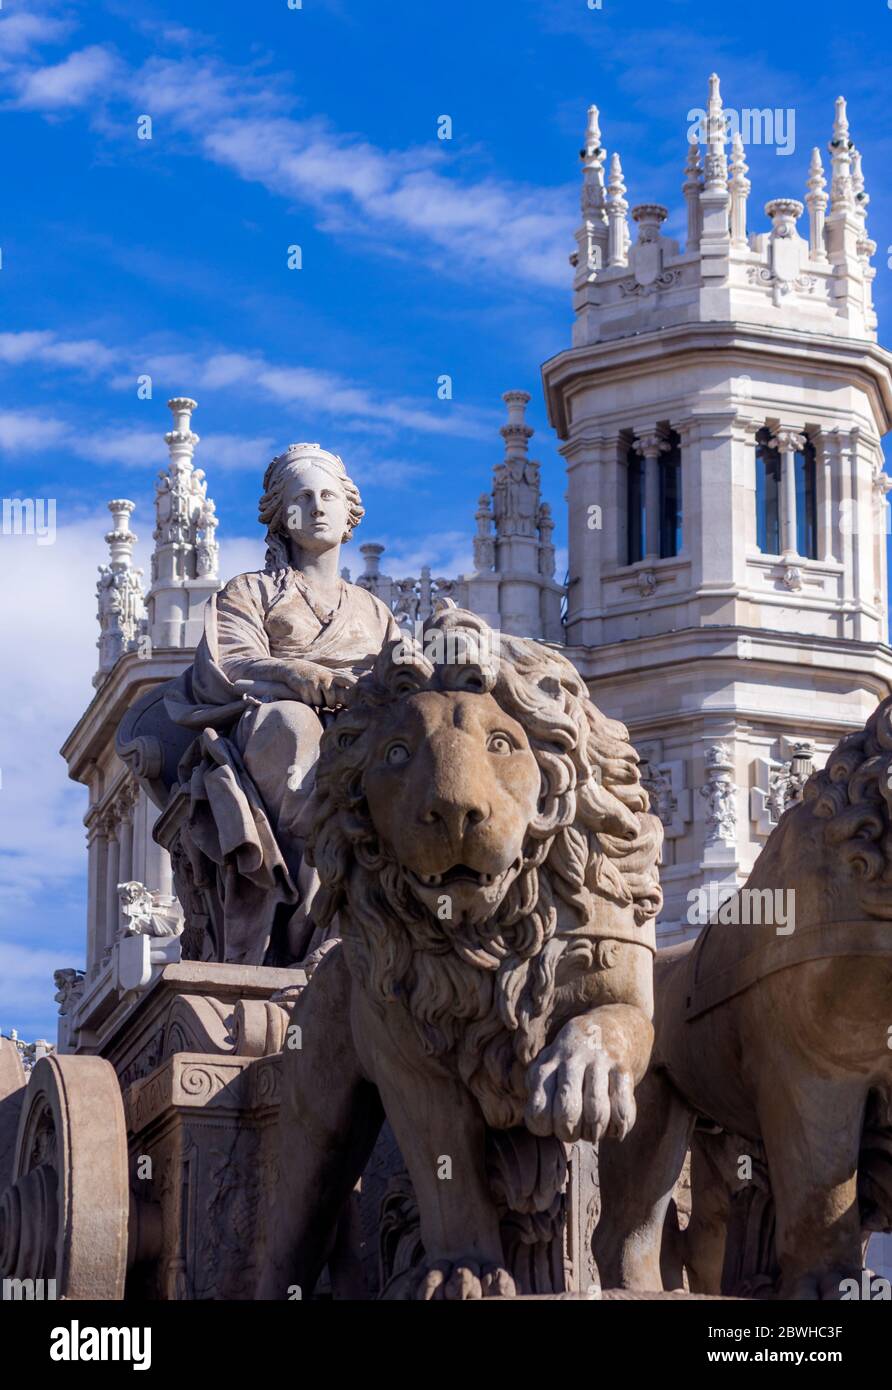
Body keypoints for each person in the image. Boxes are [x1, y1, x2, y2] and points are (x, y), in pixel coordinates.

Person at [166, 443, 400, 965]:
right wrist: (295, 674)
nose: (317, 506)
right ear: (281, 517)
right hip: (270, 726)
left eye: (328, 496)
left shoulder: (375, 611)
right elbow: (229, 665)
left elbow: (399, 682)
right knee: (299, 732)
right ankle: (326, 922)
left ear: (348, 513)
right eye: (302, 498)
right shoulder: (248, 592)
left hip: (361, 727)